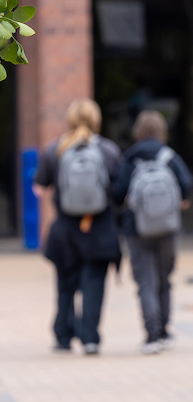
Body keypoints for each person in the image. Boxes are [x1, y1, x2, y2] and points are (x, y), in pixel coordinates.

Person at [33, 99, 123, 356]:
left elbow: (40, 187)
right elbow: (118, 191)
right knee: (94, 283)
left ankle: (63, 335)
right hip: (99, 227)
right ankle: (90, 337)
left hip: (65, 229)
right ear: (96, 120)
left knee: (65, 284)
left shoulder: (54, 150)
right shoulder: (108, 150)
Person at [111, 110, 193, 354]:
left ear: (137, 132)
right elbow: (187, 184)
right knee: (164, 279)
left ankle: (152, 334)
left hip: (136, 228)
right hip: (168, 228)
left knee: (146, 281)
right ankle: (165, 331)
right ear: (161, 131)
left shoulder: (129, 158)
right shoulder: (170, 157)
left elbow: (117, 193)